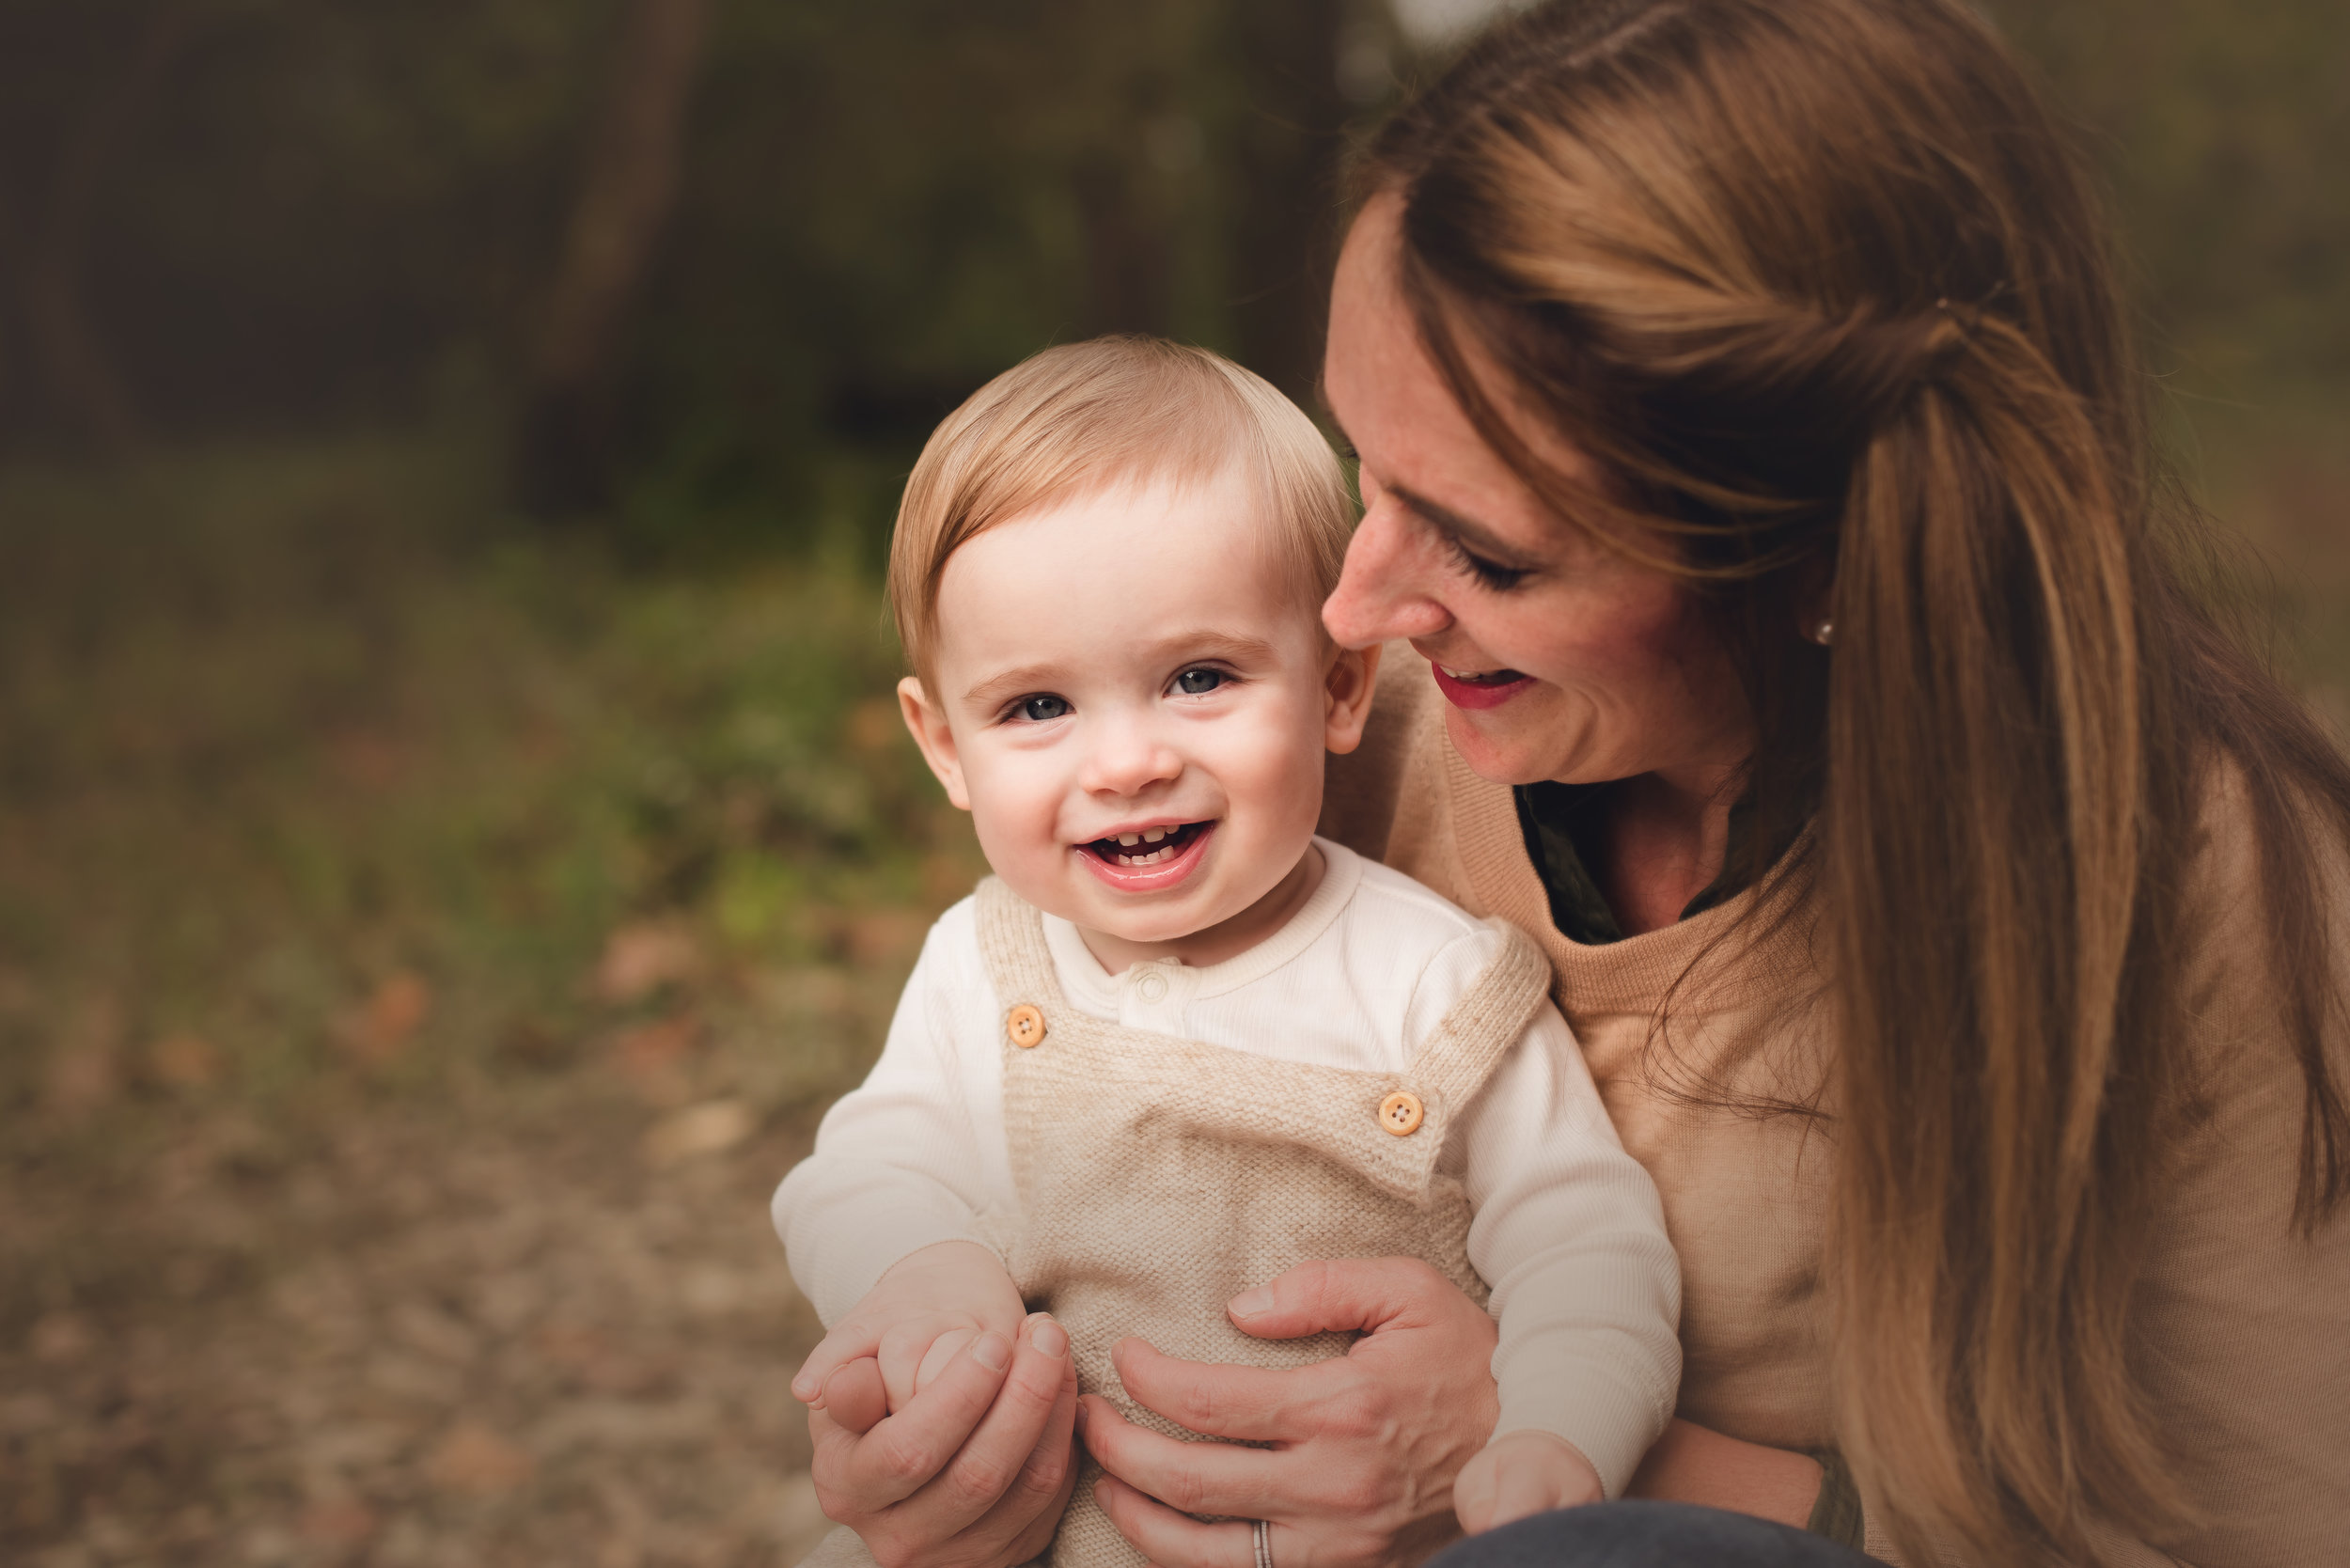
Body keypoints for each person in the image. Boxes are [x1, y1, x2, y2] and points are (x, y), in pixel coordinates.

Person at [794, 2, 2350, 1565]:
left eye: (1491, 550)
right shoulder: (1317, 734)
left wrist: (1580, 1454)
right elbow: (945, 1159)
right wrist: (945, 1437)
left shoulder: (2204, 894)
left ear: (1822, 560)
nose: (1358, 608)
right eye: (1366, 476)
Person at [772, 337, 1685, 1568]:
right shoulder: (985, 967)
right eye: (1038, 707)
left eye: (1198, 677)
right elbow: (861, 1168)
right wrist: (919, 1272)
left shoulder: (1432, 980)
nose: (1128, 762)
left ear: (1341, 690)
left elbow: (1586, 1239)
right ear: (944, 748)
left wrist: (1557, 1432)